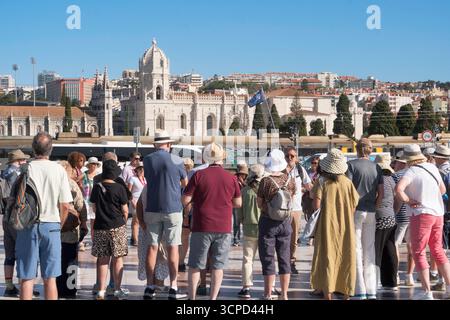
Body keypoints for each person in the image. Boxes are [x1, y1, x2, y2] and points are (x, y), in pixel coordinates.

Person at [15, 132, 73, 300]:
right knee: (50, 278)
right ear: (51, 149)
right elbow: (65, 205)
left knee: (26, 277)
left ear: (33, 149)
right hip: (52, 225)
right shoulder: (59, 170)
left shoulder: (25, 169)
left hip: (28, 225)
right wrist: (59, 224)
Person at [182, 143, 242, 300]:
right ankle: (213, 298)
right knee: (218, 265)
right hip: (223, 227)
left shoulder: (198, 175)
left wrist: (196, 199)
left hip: (201, 225)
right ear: (222, 158)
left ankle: (192, 298)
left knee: (195, 264)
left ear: (205, 158)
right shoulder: (231, 178)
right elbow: (238, 203)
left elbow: (185, 199)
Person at [395, 144, 450, 300]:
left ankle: (426, 292)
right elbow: (443, 190)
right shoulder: (432, 168)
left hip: (421, 213)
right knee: (437, 250)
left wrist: (408, 200)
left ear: (408, 159)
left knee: (418, 251)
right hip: (438, 214)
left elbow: (398, 189)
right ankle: (449, 287)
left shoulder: (411, 171)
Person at [142, 130, 188, 300]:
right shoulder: (176, 159)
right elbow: (185, 183)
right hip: (173, 208)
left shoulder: (147, 160)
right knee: (173, 247)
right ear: (169, 144)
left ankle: (149, 286)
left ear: (155, 145)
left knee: (152, 247)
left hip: (153, 208)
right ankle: (173, 286)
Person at [310, 149, 359, 300]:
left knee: (327, 256)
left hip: (326, 225)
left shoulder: (321, 182)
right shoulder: (348, 183)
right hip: (346, 226)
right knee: (346, 255)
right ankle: (346, 293)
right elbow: (354, 204)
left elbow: (316, 206)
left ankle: (328, 293)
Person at [346, 138, 383, 300]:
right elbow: (381, 193)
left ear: (357, 149)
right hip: (371, 210)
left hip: (356, 210)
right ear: (370, 150)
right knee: (369, 250)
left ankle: (359, 289)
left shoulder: (352, 166)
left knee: (356, 249)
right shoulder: (377, 167)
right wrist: (375, 205)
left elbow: (348, 190)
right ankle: (371, 290)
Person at [257, 149, 296, 300]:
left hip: (268, 222)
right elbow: (291, 199)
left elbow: (259, 203)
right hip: (285, 222)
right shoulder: (289, 180)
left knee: (268, 257)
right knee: (284, 258)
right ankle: (284, 294)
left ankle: (268, 294)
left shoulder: (265, 181)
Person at [0, 149, 39, 298]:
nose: (25, 163)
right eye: (23, 160)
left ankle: (9, 286)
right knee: (25, 253)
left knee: (10, 255)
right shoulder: (19, 175)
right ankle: (27, 286)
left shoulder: (4, 173)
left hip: (6, 218)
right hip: (18, 218)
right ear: (19, 161)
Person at [90, 160, 129, 300]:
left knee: (102, 260)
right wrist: (123, 221)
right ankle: (117, 289)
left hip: (100, 227)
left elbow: (93, 207)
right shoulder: (120, 188)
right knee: (118, 259)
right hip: (117, 226)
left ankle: (101, 290)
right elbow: (125, 209)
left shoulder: (97, 187)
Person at [56, 161, 88, 298]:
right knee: (71, 260)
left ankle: (57, 288)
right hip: (71, 231)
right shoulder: (72, 185)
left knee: (57, 261)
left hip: (54, 230)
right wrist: (84, 224)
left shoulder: (52, 184)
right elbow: (81, 207)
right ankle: (70, 289)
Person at [237, 164, 265, 299]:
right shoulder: (265, 190)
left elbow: (239, 212)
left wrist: (243, 220)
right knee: (267, 258)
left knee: (248, 259)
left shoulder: (245, 191)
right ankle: (269, 287)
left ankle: (246, 287)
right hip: (264, 228)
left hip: (249, 227)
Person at [285, 147, 312, 274]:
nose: (290, 158)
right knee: (282, 237)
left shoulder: (300, 170)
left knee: (294, 238)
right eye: (288, 156)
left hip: (296, 209)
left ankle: (291, 261)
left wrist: (303, 191)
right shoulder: (280, 169)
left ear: (296, 158)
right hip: (282, 209)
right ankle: (283, 262)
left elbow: (309, 186)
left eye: (292, 156)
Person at [374, 155, 398, 291]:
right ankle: (391, 282)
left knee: (376, 250)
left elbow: (379, 196)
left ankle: (375, 281)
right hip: (391, 217)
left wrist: (374, 210)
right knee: (390, 250)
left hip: (380, 218)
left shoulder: (379, 179)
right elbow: (397, 198)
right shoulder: (391, 179)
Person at [392, 151, 415, 286]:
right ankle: (409, 276)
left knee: (395, 244)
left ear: (401, 162)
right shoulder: (415, 174)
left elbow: (396, 196)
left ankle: (395, 274)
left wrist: (394, 212)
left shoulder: (397, 176)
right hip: (413, 214)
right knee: (411, 246)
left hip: (400, 214)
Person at [430, 145, 450, 291]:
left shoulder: (439, 172)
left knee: (442, 248)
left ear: (438, 157)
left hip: (443, 211)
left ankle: (442, 281)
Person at [81, 157, 101, 250]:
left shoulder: (98, 176)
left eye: (95, 164)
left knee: (94, 223)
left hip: (94, 202)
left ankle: (94, 241)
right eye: (92, 164)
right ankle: (81, 241)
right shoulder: (83, 175)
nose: (93, 166)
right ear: (88, 165)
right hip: (84, 200)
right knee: (83, 222)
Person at [179, 158, 195, 272]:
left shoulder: (184, 178)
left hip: (186, 212)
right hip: (192, 212)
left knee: (184, 239)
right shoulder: (195, 176)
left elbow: (188, 200)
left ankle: (181, 262)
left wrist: (185, 216)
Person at [128, 165, 146, 246]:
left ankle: (133, 237)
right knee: (136, 221)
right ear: (137, 171)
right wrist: (132, 201)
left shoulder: (145, 179)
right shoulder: (132, 179)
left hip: (143, 201)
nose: (142, 171)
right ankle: (135, 240)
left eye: (143, 170)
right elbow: (128, 191)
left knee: (137, 220)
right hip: (135, 201)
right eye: (140, 170)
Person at [233, 162, 248, 246]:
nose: (243, 176)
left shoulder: (246, 180)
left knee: (244, 221)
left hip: (244, 203)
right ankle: (236, 239)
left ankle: (243, 238)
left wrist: (243, 183)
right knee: (236, 222)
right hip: (236, 204)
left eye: (244, 174)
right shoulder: (234, 179)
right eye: (242, 174)